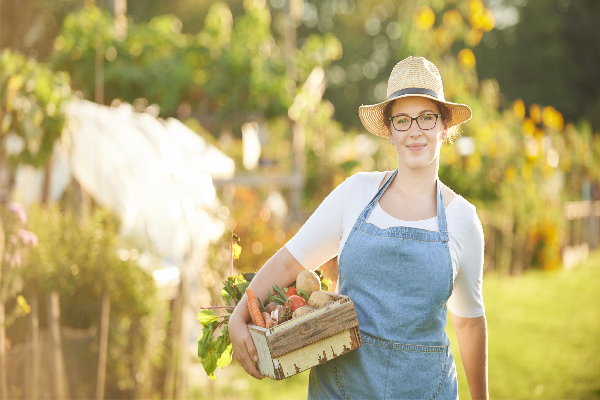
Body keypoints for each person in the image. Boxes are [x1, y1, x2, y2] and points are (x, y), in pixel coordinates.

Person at [228, 56, 488, 400]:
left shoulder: (463, 220)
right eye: (402, 120)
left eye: (427, 117)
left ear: (444, 127)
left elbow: (469, 322)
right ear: (390, 132)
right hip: (341, 389)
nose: (415, 130)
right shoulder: (356, 193)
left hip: (427, 389)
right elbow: (291, 261)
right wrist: (238, 318)